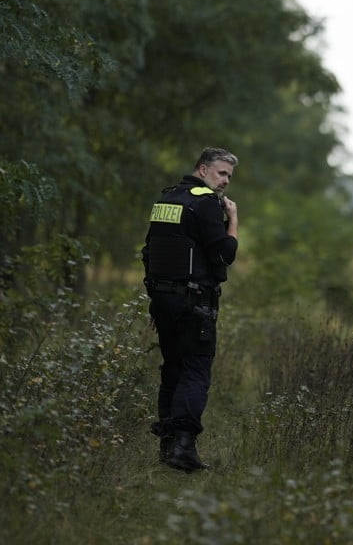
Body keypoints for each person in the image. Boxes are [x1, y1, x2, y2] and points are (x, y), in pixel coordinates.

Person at [142, 147, 240, 472]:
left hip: (163, 300)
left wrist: (155, 302)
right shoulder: (207, 204)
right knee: (195, 371)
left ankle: (166, 449)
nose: (225, 181)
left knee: (171, 370)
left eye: (228, 175)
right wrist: (234, 220)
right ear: (202, 170)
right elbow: (224, 255)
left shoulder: (166, 200)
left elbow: (149, 251)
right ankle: (183, 449)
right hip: (194, 303)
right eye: (221, 173)